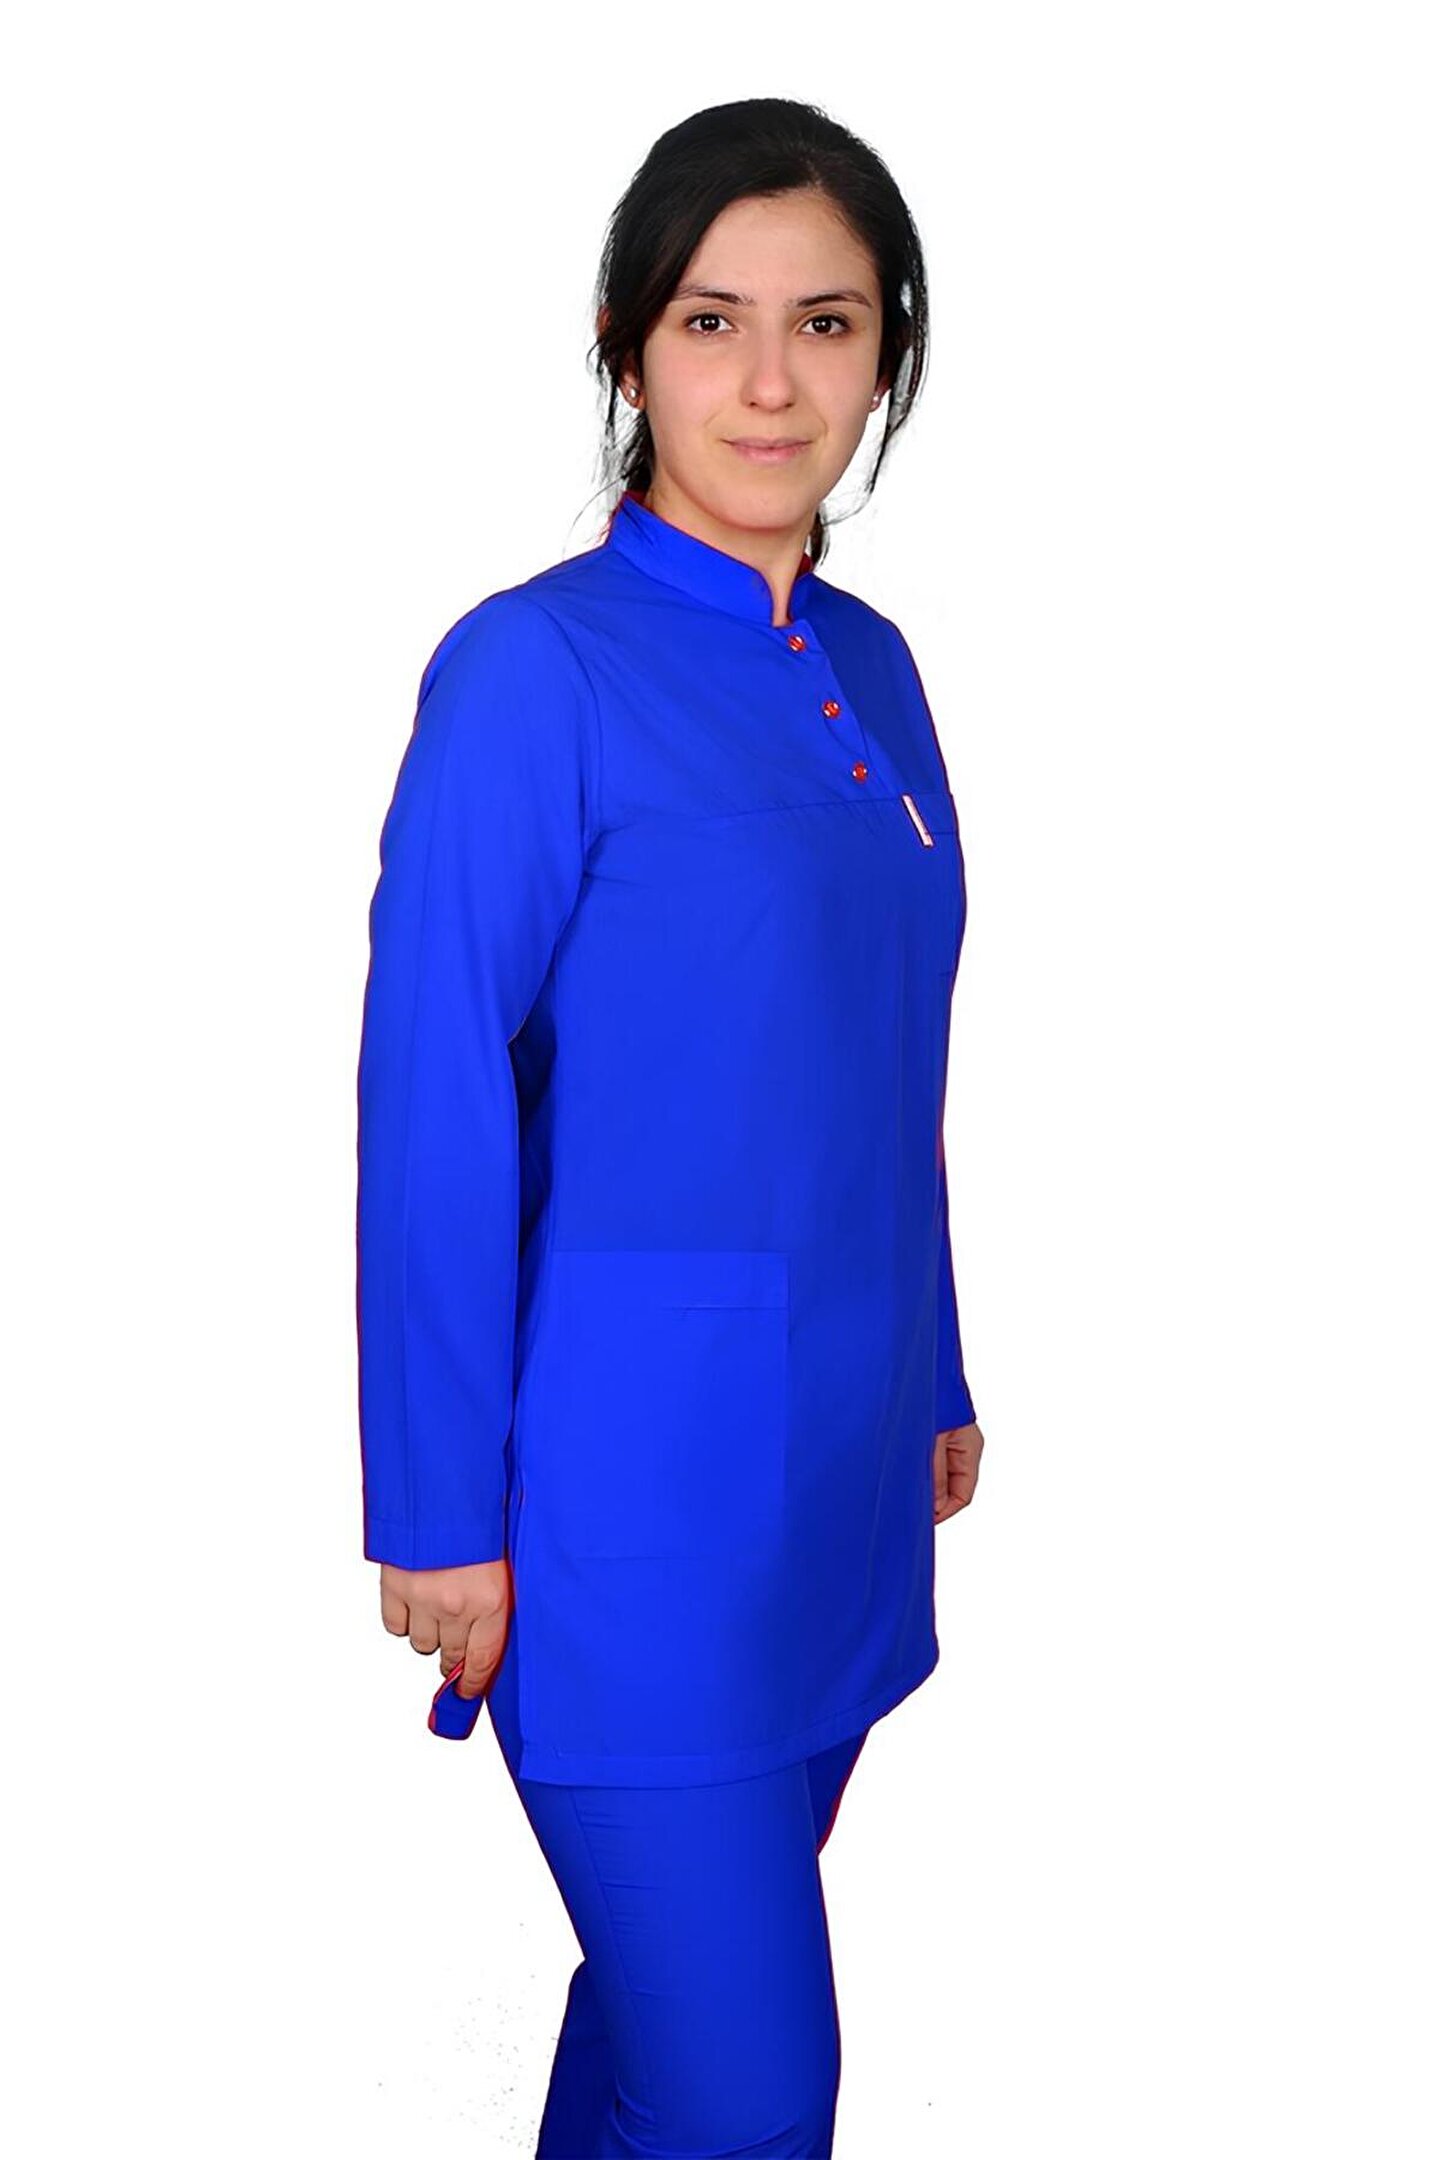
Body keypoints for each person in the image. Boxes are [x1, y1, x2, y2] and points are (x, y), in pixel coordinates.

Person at [355, 95, 987, 2159]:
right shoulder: (533, 671)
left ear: (886, 353)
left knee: (660, 2034)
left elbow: (887, 1067)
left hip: (837, 1483)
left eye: (827, 322)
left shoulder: (873, 668)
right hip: (626, 1514)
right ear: (629, 349)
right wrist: (433, 1503)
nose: (771, 381)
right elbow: (434, 1098)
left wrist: (935, 1374)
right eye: (714, 321)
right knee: (746, 2099)